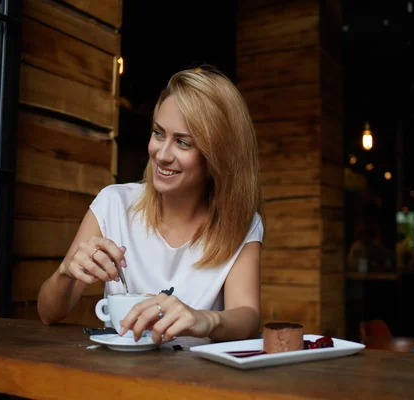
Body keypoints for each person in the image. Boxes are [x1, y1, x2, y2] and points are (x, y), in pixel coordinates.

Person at [37, 66, 264, 344]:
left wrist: (204, 318)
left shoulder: (241, 222)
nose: (162, 154)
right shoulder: (114, 204)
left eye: (182, 142)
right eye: (158, 133)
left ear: (217, 157)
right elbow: (48, 313)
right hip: (119, 378)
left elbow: (248, 316)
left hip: (197, 382)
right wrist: (65, 272)